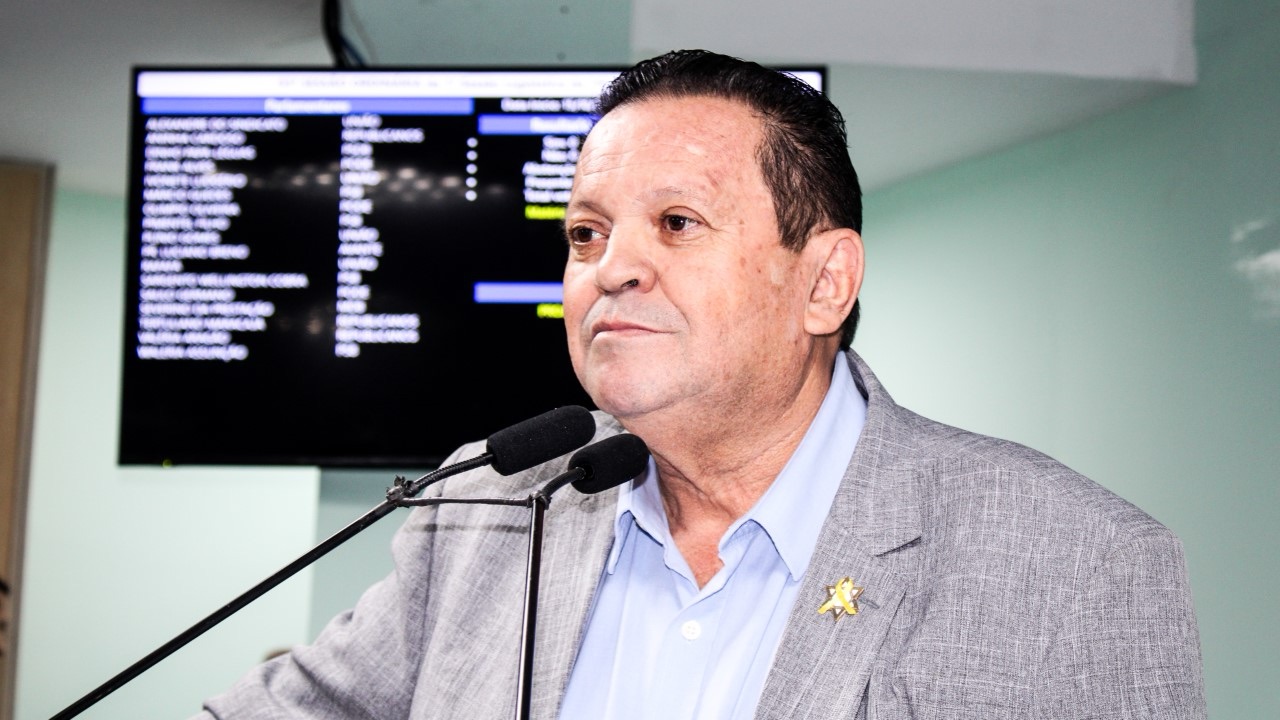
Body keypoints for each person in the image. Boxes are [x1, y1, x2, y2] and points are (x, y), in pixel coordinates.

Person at [200, 50, 1205, 719]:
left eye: (675, 223)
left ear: (824, 282)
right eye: (585, 234)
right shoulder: (486, 505)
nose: (611, 269)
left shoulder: (1077, 563)